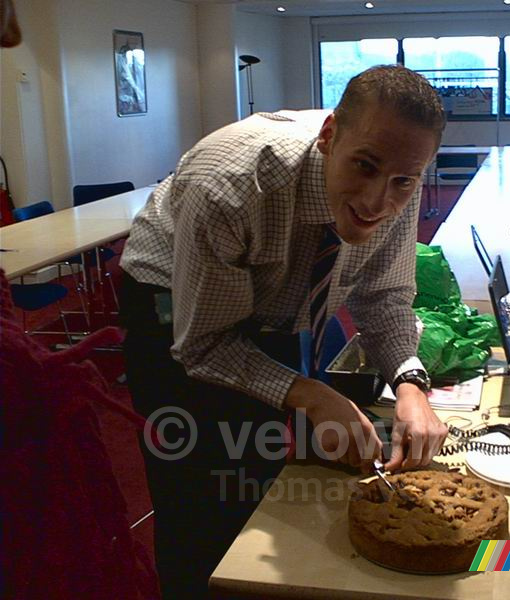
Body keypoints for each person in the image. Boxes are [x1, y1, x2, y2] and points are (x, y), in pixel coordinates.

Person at [119, 64, 449, 598]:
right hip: (174, 307)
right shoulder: (228, 186)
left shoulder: (396, 179)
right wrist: (310, 393)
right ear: (328, 136)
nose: (376, 201)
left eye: (402, 182)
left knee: (271, 470)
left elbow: (384, 299)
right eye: (363, 167)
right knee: (200, 488)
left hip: (280, 302)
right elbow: (203, 345)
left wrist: (411, 384)